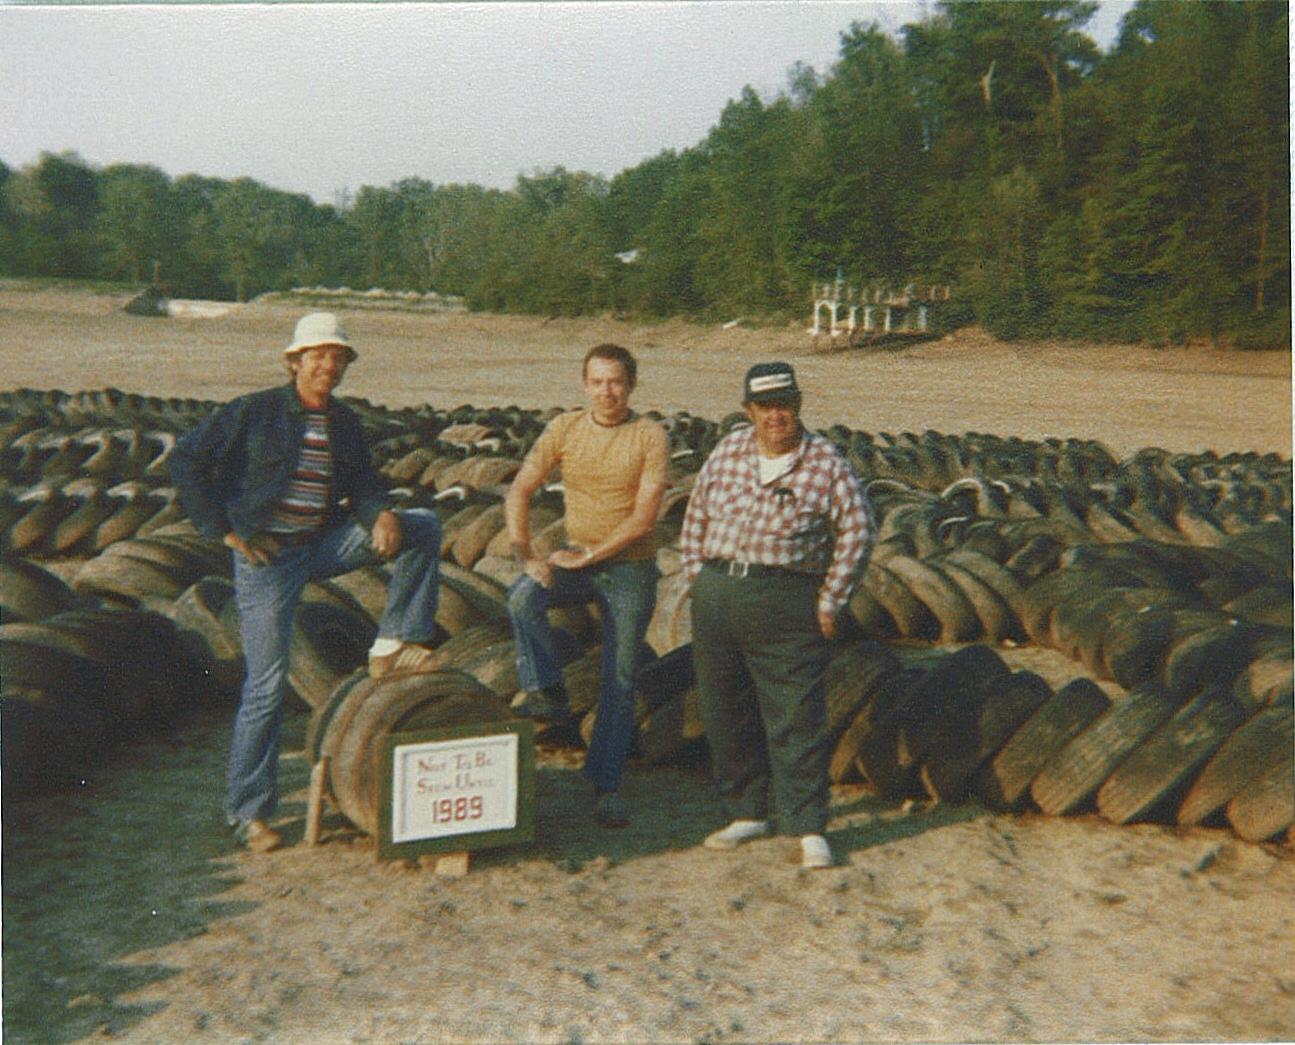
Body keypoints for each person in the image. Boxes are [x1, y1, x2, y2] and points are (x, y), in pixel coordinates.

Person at [169, 312, 443, 853]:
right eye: (318, 356)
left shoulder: (344, 422)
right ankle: (249, 812)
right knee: (267, 686)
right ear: (294, 362)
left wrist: (382, 513)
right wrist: (224, 531)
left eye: (338, 358)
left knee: (422, 527)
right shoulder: (254, 411)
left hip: (319, 543)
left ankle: (393, 640)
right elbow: (185, 461)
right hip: (266, 559)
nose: (328, 366)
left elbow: (363, 483)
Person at [679, 362, 874, 869]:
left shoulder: (826, 461)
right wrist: (698, 579)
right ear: (748, 410)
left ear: (799, 404)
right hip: (718, 593)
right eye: (764, 406)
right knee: (726, 709)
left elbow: (859, 530)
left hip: (787, 598)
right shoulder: (728, 449)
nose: (775, 416)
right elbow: (695, 513)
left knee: (795, 715)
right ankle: (746, 812)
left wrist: (831, 599)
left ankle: (807, 827)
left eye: (784, 404)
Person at [504, 344, 668, 828]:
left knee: (619, 677)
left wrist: (589, 557)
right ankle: (547, 689)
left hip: (629, 569)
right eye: (597, 382)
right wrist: (525, 555)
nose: (606, 392)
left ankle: (606, 785)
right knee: (522, 596)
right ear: (584, 385)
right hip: (577, 559)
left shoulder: (650, 435)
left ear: (631, 384)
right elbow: (519, 490)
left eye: (615, 382)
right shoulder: (565, 428)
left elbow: (644, 519)